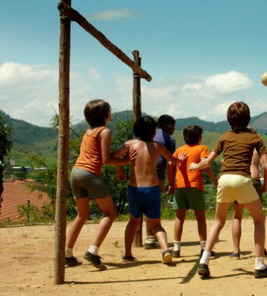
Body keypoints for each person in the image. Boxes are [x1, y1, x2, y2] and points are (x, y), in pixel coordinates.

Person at [190, 101, 267, 279]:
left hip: (224, 179)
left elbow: (208, 162)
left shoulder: (224, 137)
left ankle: (204, 260)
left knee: (218, 221)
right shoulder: (255, 138)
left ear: (228, 120)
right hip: (243, 179)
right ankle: (259, 264)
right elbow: (266, 163)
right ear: (248, 118)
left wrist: (195, 166)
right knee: (259, 220)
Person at [113, 116, 187, 264]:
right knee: (156, 224)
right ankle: (165, 250)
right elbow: (172, 159)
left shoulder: (129, 144)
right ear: (153, 132)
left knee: (133, 221)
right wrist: (181, 159)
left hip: (135, 188)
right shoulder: (157, 146)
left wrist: (119, 170)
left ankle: (128, 253)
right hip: (152, 188)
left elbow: (113, 156)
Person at [65, 99, 128, 270]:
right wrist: (125, 161)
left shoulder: (89, 132)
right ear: (106, 114)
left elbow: (102, 155)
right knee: (110, 213)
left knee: (81, 214)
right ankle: (93, 250)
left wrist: (120, 161)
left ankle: (67, 253)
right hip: (90, 174)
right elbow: (106, 159)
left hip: (76, 172)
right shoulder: (105, 132)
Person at [168, 125, 218, 258]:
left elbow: (170, 165)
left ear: (185, 137)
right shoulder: (202, 148)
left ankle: (176, 248)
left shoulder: (179, 150)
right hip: (195, 184)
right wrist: (214, 179)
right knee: (200, 218)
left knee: (179, 217)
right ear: (200, 137)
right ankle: (203, 248)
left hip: (179, 185)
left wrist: (171, 183)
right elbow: (205, 165)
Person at [230, 146, 267, 258]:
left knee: (237, 216)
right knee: (259, 218)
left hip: (239, 179)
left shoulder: (237, 146)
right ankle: (261, 248)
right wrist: (265, 183)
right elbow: (265, 165)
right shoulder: (257, 147)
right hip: (254, 179)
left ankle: (236, 251)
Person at [145, 115, 176, 249]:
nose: (173, 129)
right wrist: (172, 182)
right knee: (154, 204)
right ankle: (151, 237)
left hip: (142, 171)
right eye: (172, 126)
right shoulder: (169, 139)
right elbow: (171, 162)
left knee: (146, 205)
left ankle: (149, 236)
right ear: (165, 125)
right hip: (158, 173)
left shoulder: (149, 134)